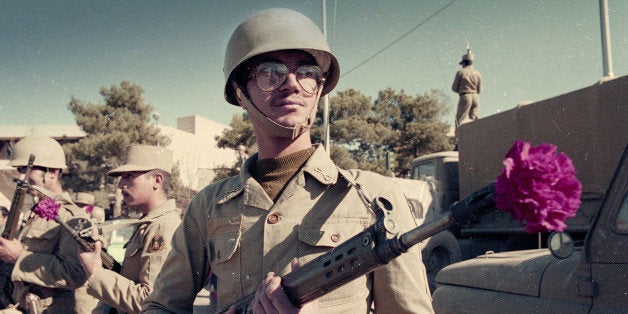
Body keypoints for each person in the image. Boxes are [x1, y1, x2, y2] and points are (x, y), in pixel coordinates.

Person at [142, 8, 433, 313]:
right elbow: (161, 306)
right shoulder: (209, 206)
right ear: (241, 93)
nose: (293, 84)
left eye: (307, 73)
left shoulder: (373, 197)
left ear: (319, 87)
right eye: (271, 72)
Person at [78, 144, 181, 314]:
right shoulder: (148, 223)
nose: (120, 184)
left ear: (156, 180)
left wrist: (96, 272)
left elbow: (149, 300)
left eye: (129, 176)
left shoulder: (162, 226)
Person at [0, 136, 97, 313]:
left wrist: (19, 257)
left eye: (27, 170)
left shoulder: (73, 218)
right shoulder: (32, 214)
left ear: (52, 172)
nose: (21, 177)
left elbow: (76, 273)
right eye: (19, 170)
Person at [452, 48, 482, 146]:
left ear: (464, 63)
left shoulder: (461, 72)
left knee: (460, 120)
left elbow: (454, 88)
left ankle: (458, 142)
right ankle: (476, 140)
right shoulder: (478, 73)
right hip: (476, 97)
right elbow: (480, 90)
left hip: (465, 96)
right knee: (475, 120)